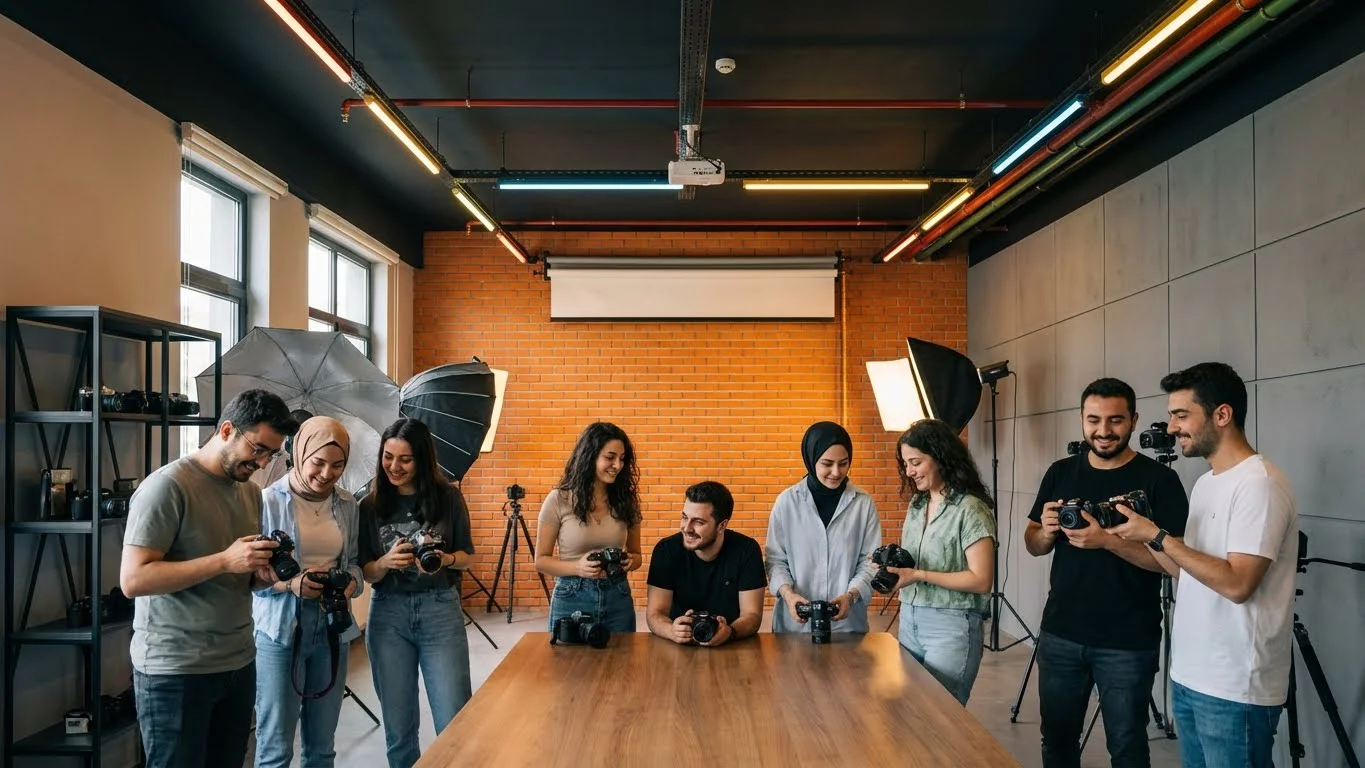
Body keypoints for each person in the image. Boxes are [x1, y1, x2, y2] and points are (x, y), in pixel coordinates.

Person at [1112, 363, 1297, 768]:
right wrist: (1133, 534)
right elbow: (1187, 570)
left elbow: (1237, 584)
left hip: (1235, 687)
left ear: (1222, 414)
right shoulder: (1206, 482)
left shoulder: (1259, 484)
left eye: (1181, 415)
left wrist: (1158, 536)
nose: (1172, 427)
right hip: (1190, 676)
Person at [119, 389, 296, 768]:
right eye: (258, 449)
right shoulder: (167, 486)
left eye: (272, 454)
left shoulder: (251, 493)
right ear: (227, 430)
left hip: (237, 662)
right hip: (176, 670)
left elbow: (236, 574)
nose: (262, 462)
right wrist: (224, 560)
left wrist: (261, 576)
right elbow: (133, 580)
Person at [1023, 378, 1190, 767]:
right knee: (1056, 741)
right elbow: (1033, 544)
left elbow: (1176, 564)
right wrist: (1045, 531)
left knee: (1128, 747)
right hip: (1061, 632)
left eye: (1115, 420)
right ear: (1081, 418)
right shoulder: (1060, 472)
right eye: (1094, 420)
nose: (1103, 430)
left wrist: (1107, 541)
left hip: (1128, 639)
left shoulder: (1160, 480)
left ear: (1133, 420)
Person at [359, 418, 477, 768]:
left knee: (455, 721)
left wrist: (445, 559)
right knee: (399, 730)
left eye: (405, 459)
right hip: (388, 616)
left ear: (422, 459)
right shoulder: (370, 505)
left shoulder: (448, 497)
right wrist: (386, 562)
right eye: (388, 457)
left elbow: (467, 557)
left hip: (440, 611)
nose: (394, 466)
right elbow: (366, 571)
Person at [252, 416, 363, 768]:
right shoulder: (267, 502)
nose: (327, 473)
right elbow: (251, 578)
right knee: (275, 748)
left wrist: (351, 582)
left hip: (333, 626)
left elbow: (355, 564)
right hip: (279, 630)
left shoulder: (348, 505)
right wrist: (290, 584)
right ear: (298, 452)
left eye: (338, 465)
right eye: (318, 462)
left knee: (322, 747)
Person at [885, 418, 996, 704]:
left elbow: (981, 580)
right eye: (905, 464)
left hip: (951, 626)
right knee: (911, 713)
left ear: (941, 458)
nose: (909, 472)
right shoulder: (917, 504)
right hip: (910, 619)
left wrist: (919, 575)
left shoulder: (971, 509)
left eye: (916, 462)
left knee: (942, 716)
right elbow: (914, 562)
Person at [764, 421, 881, 636]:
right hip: (794, 625)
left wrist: (850, 596)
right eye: (827, 464)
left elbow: (870, 562)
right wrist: (789, 595)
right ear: (811, 459)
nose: (836, 472)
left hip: (846, 625)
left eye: (843, 463)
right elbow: (775, 560)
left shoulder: (863, 504)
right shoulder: (787, 502)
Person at [534, 422, 643, 633]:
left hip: (617, 596)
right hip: (571, 596)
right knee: (568, 655)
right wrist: (578, 568)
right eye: (610, 457)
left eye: (622, 459)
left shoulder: (627, 502)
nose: (617, 465)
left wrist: (630, 562)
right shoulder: (558, 499)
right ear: (590, 456)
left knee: (622, 655)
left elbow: (637, 555)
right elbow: (541, 561)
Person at [645, 481, 765, 646]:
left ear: (721, 525)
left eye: (698, 522)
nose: (687, 528)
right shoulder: (666, 550)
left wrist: (730, 632)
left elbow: (752, 615)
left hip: (730, 644)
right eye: (684, 517)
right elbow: (655, 613)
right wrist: (671, 631)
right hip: (678, 643)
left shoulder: (747, 550)